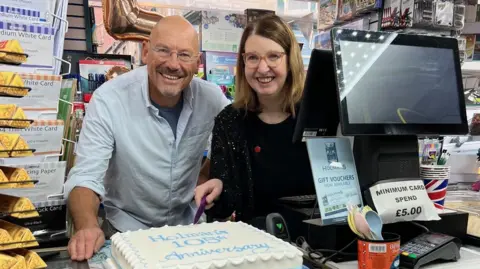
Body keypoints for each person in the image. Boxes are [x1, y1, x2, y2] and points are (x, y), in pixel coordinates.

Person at [64, 16, 229, 261]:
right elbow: (86, 175)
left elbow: (237, 143)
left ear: (197, 63)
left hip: (189, 234)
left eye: (184, 55)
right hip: (125, 232)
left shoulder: (212, 99)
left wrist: (206, 174)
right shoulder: (110, 99)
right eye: (163, 50)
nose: (173, 64)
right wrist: (87, 226)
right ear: (146, 51)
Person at [195, 15, 315, 223]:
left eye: (273, 56)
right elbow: (224, 206)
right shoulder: (229, 121)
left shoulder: (317, 114)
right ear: (243, 62)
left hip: (320, 248)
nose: (262, 68)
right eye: (253, 57)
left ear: (290, 59)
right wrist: (216, 192)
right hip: (256, 247)